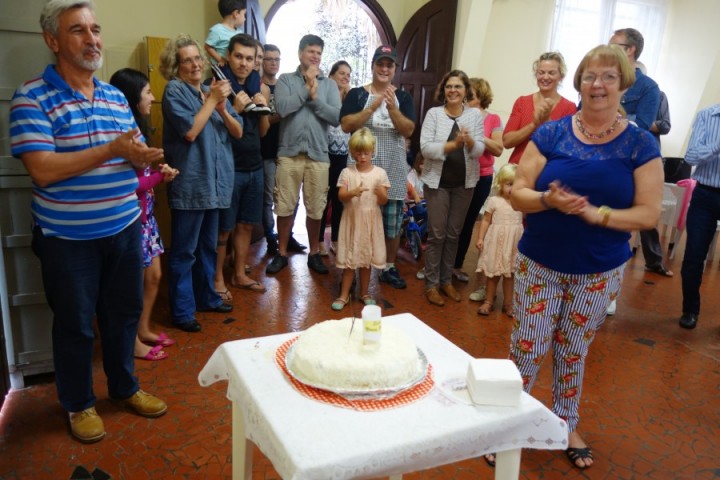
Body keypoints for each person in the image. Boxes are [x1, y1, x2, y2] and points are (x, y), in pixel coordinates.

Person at [9, 0, 167, 443]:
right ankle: (79, 404)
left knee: (123, 315)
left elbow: (128, 155)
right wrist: (114, 151)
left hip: (123, 227)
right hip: (67, 238)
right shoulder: (32, 96)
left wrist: (145, 160)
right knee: (77, 323)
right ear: (52, 40)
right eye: (77, 29)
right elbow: (42, 168)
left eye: (95, 28)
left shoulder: (116, 97)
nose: (92, 38)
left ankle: (124, 388)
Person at [499, 44, 663, 470]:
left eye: (609, 76)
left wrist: (597, 213)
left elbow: (647, 213)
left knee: (573, 349)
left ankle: (566, 423)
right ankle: (506, 426)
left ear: (624, 83)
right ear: (580, 82)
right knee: (527, 347)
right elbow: (518, 193)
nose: (598, 84)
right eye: (591, 76)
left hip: (598, 269)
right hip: (540, 262)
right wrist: (548, 201)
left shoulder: (639, 143)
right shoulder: (552, 133)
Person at [160, 34, 243, 333]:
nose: (195, 64)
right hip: (192, 186)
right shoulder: (174, 91)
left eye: (198, 58)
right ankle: (182, 311)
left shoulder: (211, 94)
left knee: (208, 247)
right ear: (176, 66)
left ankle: (206, 297)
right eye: (187, 60)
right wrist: (212, 101)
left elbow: (238, 131)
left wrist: (221, 108)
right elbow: (191, 132)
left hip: (216, 185)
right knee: (184, 252)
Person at [109, 68, 179, 361]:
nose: (152, 97)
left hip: (147, 217)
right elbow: (127, 183)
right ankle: (132, 343)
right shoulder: (121, 134)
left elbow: (143, 173)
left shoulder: (139, 126)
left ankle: (144, 328)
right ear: (132, 97)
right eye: (148, 92)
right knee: (132, 285)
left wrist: (157, 171)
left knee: (154, 277)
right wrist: (158, 179)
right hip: (132, 219)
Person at [340, 45, 416, 289]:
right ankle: (352, 265)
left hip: (392, 167)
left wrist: (392, 109)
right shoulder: (357, 95)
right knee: (357, 217)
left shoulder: (403, 98)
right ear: (373, 66)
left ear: (395, 69)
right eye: (380, 64)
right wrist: (372, 107)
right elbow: (346, 124)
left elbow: (408, 130)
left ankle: (388, 267)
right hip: (360, 167)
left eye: (389, 65)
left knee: (392, 224)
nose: (384, 69)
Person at [266, 34, 341, 275]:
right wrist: (305, 89)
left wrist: (315, 96)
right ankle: (282, 253)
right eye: (311, 51)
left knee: (316, 208)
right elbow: (283, 108)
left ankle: (314, 253)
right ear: (300, 54)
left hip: (318, 156)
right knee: (285, 206)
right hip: (289, 154)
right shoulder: (286, 80)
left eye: (319, 53)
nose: (315, 56)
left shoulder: (329, 85)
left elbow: (334, 116)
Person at [610, 28, 672, 278]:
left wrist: (610, 120)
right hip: (601, 155)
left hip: (632, 161)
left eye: (613, 44)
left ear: (630, 50)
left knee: (626, 221)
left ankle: (612, 285)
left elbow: (646, 123)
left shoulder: (649, 88)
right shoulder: (602, 80)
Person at [419, 70, 484, 307]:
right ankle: (431, 284)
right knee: (437, 234)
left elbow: (479, 152)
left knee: (453, 234)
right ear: (443, 90)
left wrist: (469, 142)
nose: (453, 90)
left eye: (458, 86)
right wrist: (451, 145)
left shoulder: (475, 117)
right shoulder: (434, 114)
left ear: (466, 90)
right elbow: (426, 148)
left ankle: (446, 281)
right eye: (449, 86)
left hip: (464, 185)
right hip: (437, 184)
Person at [214, 33, 270, 299]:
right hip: (229, 168)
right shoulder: (216, 86)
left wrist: (263, 107)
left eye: (249, 58)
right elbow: (212, 133)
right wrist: (234, 108)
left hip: (254, 165)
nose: (244, 63)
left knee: (247, 224)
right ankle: (216, 279)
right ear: (228, 57)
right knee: (224, 227)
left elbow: (263, 132)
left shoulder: (255, 86)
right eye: (238, 57)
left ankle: (238, 274)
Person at [453, 78, 504, 286]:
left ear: (480, 96)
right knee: (450, 222)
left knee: (467, 221)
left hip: (482, 176)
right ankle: (436, 265)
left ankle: (456, 265)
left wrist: (478, 136)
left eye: (469, 92)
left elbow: (499, 149)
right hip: (456, 173)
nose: (464, 96)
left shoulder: (493, 119)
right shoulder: (456, 114)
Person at [331, 128, 390, 310]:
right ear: (352, 153)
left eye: (366, 153)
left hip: (371, 221)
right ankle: (343, 295)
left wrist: (382, 194)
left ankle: (364, 292)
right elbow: (341, 195)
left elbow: (383, 200)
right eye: (358, 153)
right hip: (352, 220)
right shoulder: (347, 173)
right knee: (350, 262)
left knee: (366, 261)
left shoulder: (380, 173)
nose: (362, 157)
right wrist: (352, 192)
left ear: (373, 151)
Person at [259, 44, 306, 256]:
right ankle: (271, 238)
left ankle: (287, 236)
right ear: (261, 61)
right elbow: (262, 119)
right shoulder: (257, 87)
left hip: (288, 149)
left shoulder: (285, 85)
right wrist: (283, 113)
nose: (273, 63)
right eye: (269, 59)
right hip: (266, 150)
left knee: (291, 198)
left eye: (277, 59)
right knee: (269, 198)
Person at [679, 103, 720, 330]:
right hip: (705, 194)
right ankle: (690, 309)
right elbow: (691, 156)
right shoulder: (707, 115)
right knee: (694, 255)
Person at [503, 51, 577, 165]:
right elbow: (507, 142)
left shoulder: (569, 107)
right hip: (517, 169)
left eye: (551, 73)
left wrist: (546, 122)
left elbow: (567, 148)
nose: (545, 77)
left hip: (548, 171)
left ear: (561, 77)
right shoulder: (522, 102)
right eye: (541, 72)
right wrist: (534, 125)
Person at [475, 164, 523, 316]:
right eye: (509, 184)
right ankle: (488, 301)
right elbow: (486, 220)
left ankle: (508, 304)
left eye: (516, 185)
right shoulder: (494, 200)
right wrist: (480, 237)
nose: (512, 188)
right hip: (496, 242)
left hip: (513, 243)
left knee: (509, 275)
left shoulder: (520, 202)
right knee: (493, 274)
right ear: (500, 183)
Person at [319, 60, 353, 256]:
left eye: (348, 74)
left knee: (340, 199)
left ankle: (336, 239)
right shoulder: (325, 95)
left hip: (344, 156)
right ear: (332, 76)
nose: (345, 77)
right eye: (341, 73)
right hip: (324, 153)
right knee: (323, 198)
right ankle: (318, 240)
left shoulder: (350, 99)